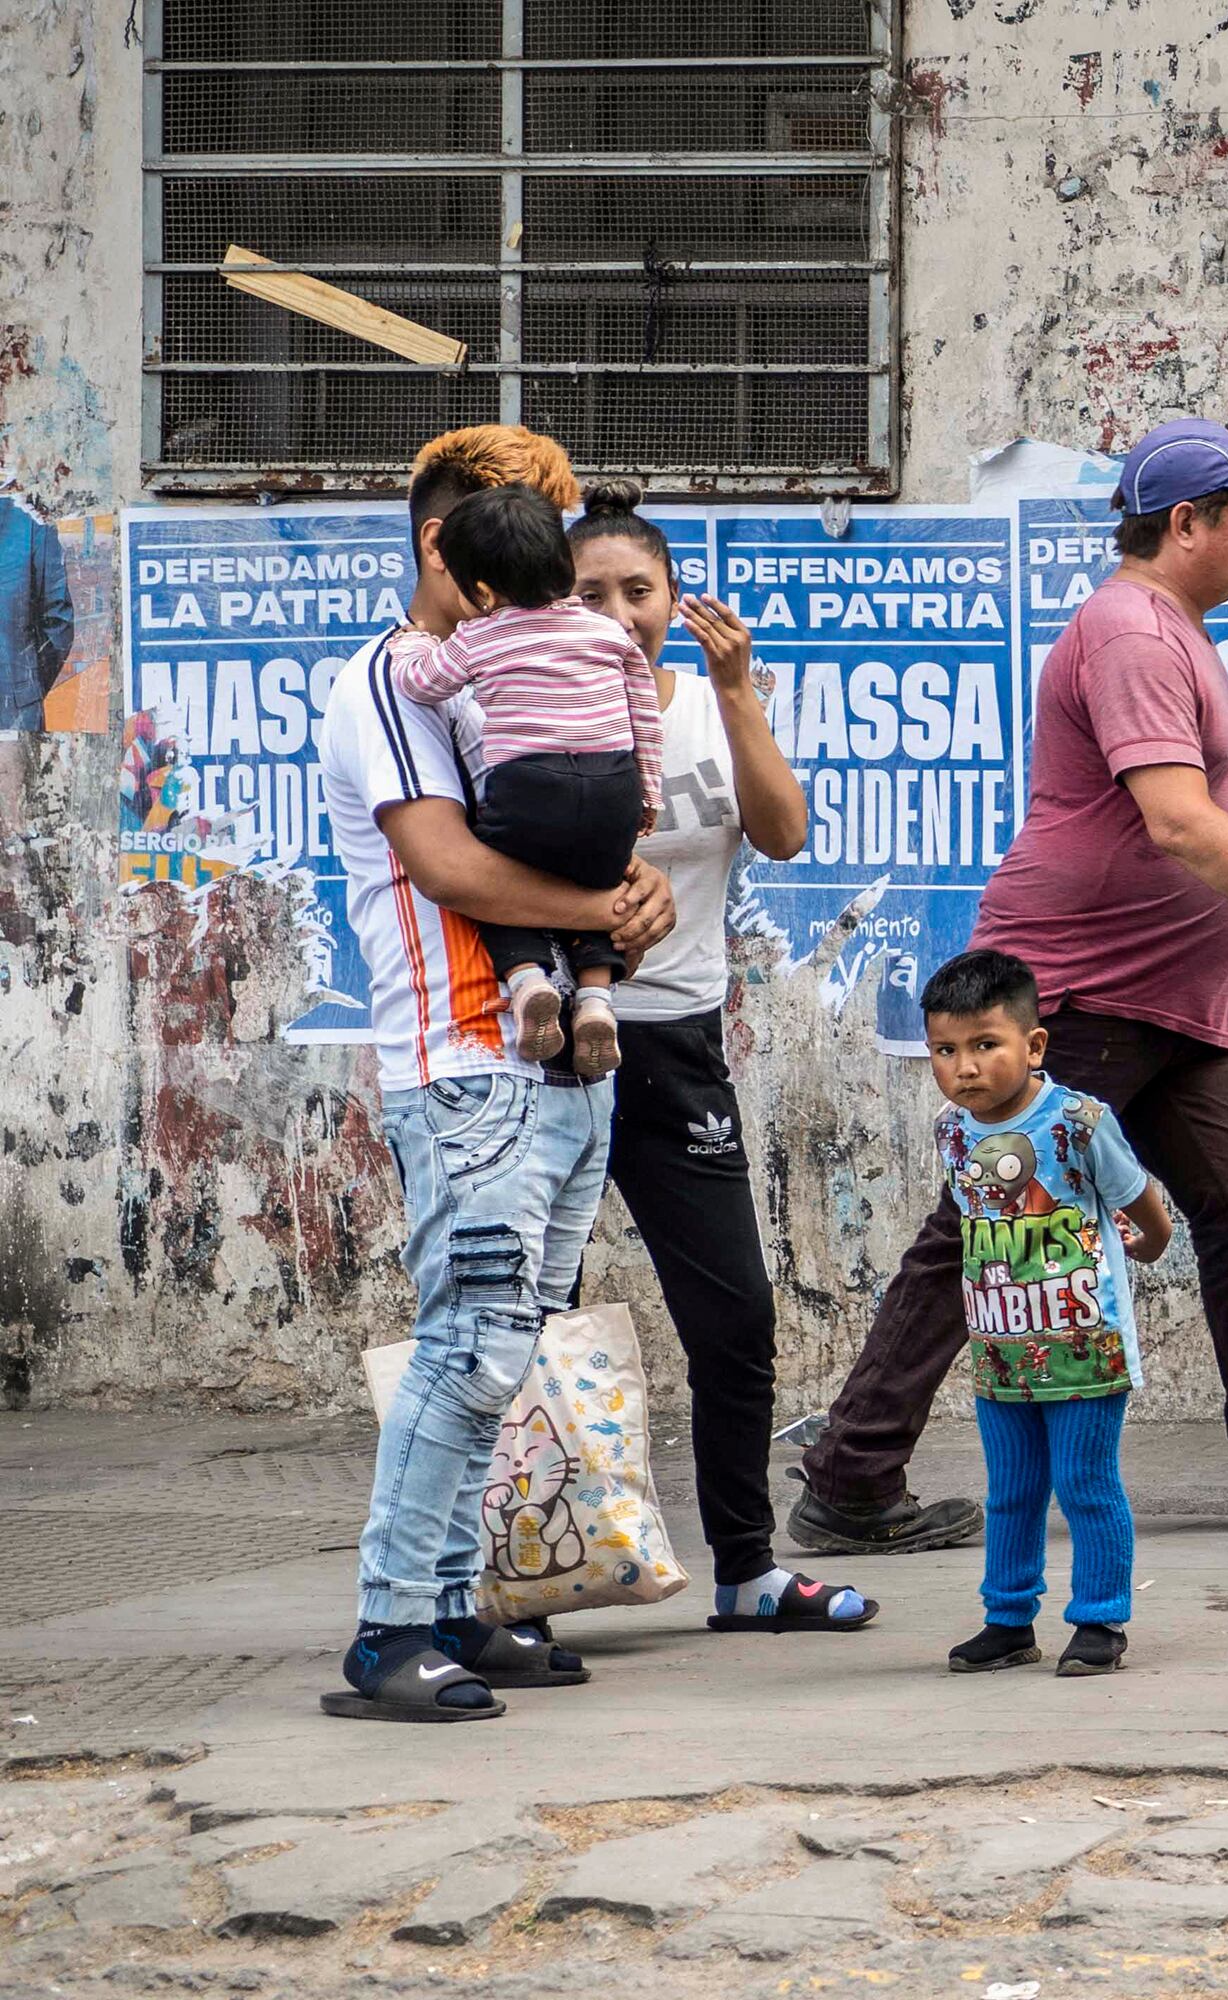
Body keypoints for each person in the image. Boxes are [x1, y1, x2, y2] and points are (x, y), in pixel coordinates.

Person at [790, 418, 1228, 1551]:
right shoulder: (1134, 631)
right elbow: (1180, 824)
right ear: (1183, 523)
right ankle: (852, 1474)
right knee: (989, 1218)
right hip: (1086, 991)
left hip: (1169, 1005)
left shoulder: (1169, 630)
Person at [320, 424, 677, 1723]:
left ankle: (465, 1606)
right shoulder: (393, 685)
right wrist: (600, 902)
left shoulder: (516, 671)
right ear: (444, 543)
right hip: (466, 1054)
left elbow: (584, 806)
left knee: (508, 1348)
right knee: (469, 1350)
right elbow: (455, 867)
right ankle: (391, 1627)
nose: (556, 564)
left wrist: (630, 899)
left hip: (559, 1060)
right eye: (525, 530)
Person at [567, 480, 872, 1635]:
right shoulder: (529, 705)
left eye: (637, 590)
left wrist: (739, 691)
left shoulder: (706, 703)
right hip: (546, 1044)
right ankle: (508, 1575)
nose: (615, 611)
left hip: (676, 1044)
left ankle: (746, 1567)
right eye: (590, 590)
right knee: (529, 1318)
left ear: (673, 600)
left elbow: (785, 832)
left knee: (737, 1318)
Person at [920, 950, 1176, 1678]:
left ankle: (1099, 1620)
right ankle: (1007, 1620)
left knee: (1086, 1484)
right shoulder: (952, 1130)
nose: (964, 1068)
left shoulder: (1078, 1123)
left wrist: (1152, 1245)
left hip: (1084, 1343)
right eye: (946, 1050)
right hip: (1000, 1350)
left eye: (984, 1045)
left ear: (1033, 1046)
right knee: (1012, 1491)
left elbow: (1137, 1198)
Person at [392, 484, 664, 1083]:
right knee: (600, 873)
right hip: (612, 785)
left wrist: (414, 644)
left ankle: (527, 980)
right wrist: (647, 794)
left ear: (483, 589)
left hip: (530, 784)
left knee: (499, 874)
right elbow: (643, 713)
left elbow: (421, 683)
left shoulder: (481, 634)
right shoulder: (608, 634)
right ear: (565, 568)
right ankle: (596, 1000)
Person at [0, 478, 73, 732]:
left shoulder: (31, 520)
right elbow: (58, 623)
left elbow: (58, 622)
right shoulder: (30, 519)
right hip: (16, 708)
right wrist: (26, 680)